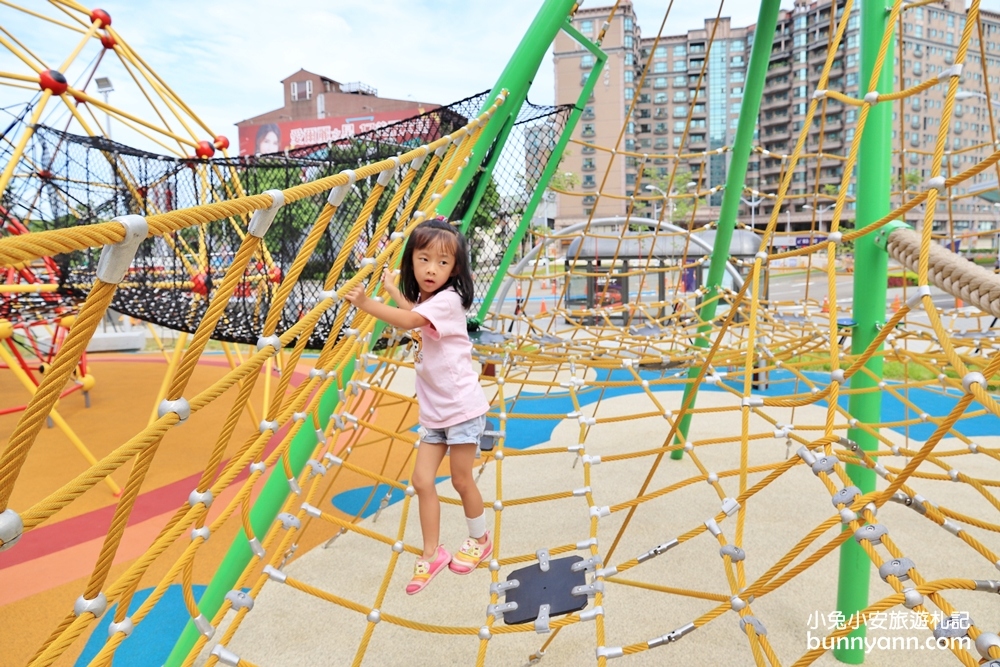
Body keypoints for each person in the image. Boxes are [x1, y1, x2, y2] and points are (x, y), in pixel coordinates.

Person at [345, 217, 491, 595]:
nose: (431, 269)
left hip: (461, 408)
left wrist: (366, 303)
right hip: (436, 412)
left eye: (443, 263)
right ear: (412, 260)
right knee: (422, 480)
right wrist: (393, 288)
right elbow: (415, 316)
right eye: (424, 259)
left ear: (455, 269)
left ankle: (480, 538)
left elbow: (410, 320)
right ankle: (433, 552)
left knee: (460, 479)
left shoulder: (449, 299)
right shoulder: (430, 300)